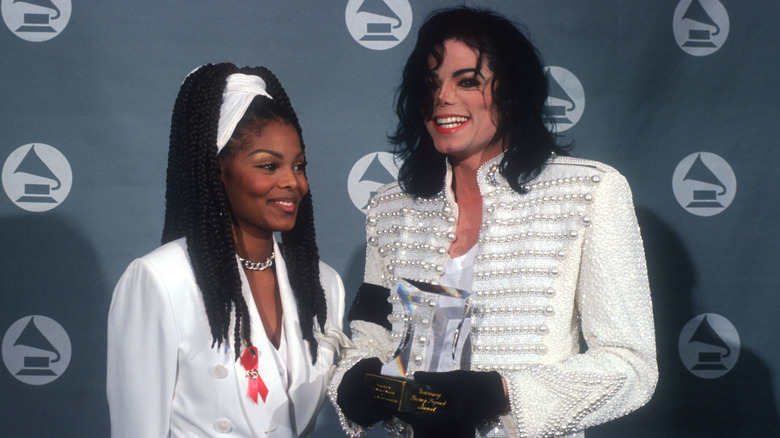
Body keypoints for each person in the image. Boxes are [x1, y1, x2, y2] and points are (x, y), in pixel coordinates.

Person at [330, 7, 657, 438]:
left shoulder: (589, 192)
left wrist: (499, 392)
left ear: (513, 91)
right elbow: (370, 339)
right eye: (431, 83)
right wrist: (353, 381)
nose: (442, 97)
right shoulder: (393, 208)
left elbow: (631, 366)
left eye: (468, 81)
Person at [107, 63, 347, 437]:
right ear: (218, 171)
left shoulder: (323, 285)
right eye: (268, 166)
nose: (292, 182)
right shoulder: (161, 280)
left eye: (299, 166)